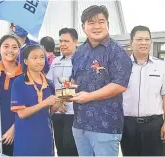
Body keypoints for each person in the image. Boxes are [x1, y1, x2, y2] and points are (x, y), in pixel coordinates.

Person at [69, 5, 132, 156]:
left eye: (101, 22)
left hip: (105, 126)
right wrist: (69, 88)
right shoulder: (79, 52)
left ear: (108, 25)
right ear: (84, 27)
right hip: (80, 123)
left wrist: (89, 96)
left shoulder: (117, 52)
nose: (97, 26)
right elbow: (74, 78)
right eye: (91, 22)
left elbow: (119, 85)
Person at [121, 25, 165, 156]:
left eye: (147, 39)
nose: (144, 43)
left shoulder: (161, 66)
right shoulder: (122, 66)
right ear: (131, 42)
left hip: (154, 125)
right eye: (139, 39)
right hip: (128, 125)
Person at [10, 45, 61, 156]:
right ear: (26, 61)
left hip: (45, 139)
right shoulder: (19, 83)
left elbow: (50, 112)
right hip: (26, 140)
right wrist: (44, 103)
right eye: (34, 58)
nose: (39, 61)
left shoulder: (49, 84)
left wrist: (60, 101)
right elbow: (22, 114)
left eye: (42, 57)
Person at [47, 28, 78, 156]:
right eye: (61, 41)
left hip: (74, 112)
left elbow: (79, 84)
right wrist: (56, 102)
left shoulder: (81, 60)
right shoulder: (56, 61)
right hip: (57, 111)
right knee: (60, 148)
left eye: (66, 41)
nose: (63, 44)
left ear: (75, 42)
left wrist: (64, 100)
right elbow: (49, 83)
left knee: (71, 147)